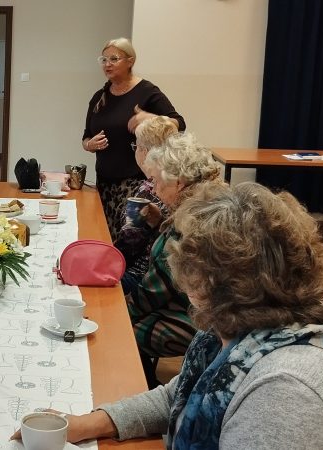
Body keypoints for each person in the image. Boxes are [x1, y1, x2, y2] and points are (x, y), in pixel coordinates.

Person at [15, 182, 323, 448]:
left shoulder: (284, 391)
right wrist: (89, 423)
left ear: (214, 280)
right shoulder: (231, 330)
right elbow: (177, 397)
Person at [128, 133, 221, 387]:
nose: (154, 189)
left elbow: (155, 290)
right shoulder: (209, 199)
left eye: (157, 181)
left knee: (122, 334)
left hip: (202, 318)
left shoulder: (188, 221)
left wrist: (119, 316)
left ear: (178, 183)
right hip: (202, 306)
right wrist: (159, 222)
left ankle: (144, 389)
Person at [82, 37, 186, 241]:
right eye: (103, 59)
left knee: (128, 241)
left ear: (130, 61)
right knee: (106, 237)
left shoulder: (147, 92)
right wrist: (89, 144)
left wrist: (150, 117)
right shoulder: (99, 97)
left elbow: (179, 123)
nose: (107, 64)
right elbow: (86, 136)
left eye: (114, 59)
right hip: (104, 183)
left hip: (135, 183)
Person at [114, 116, 177, 295]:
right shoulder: (167, 183)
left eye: (136, 146)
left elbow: (130, 244)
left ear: (145, 151)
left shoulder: (149, 190)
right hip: (157, 277)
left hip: (141, 277)